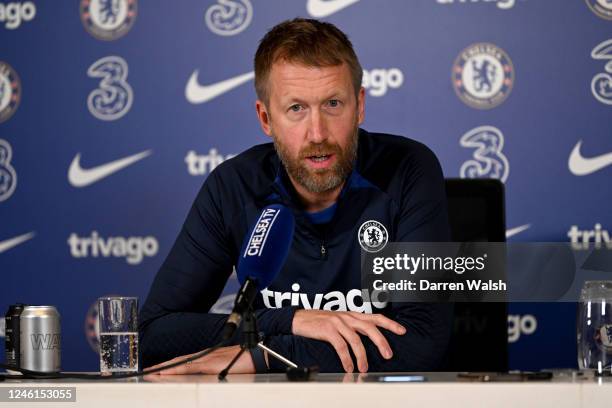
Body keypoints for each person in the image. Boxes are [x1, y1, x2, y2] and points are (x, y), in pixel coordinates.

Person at [139, 18, 452, 374]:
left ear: (360, 105)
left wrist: (262, 355)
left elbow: (423, 341)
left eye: (333, 103)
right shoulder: (234, 186)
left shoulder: (408, 170)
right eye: (296, 109)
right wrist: (289, 320)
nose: (317, 133)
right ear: (266, 118)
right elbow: (152, 336)